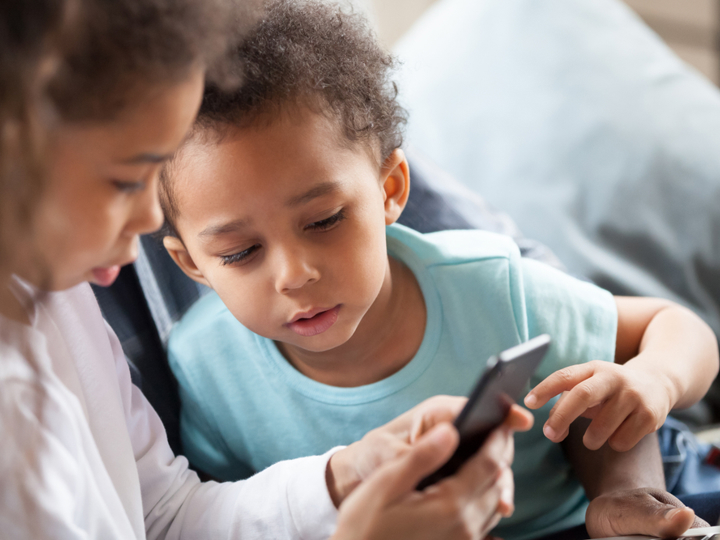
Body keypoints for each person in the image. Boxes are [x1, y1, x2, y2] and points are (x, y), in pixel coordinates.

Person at [158, 1, 719, 539]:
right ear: (192, 263)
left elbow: (671, 325)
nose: (294, 274)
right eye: (239, 253)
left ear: (389, 190)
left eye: (325, 220)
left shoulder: (489, 286)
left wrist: (657, 382)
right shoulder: (204, 364)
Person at [0, 0, 537, 538]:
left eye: (324, 220)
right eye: (124, 181)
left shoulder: (57, 292)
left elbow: (162, 516)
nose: (147, 220)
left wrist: (344, 476)